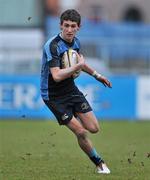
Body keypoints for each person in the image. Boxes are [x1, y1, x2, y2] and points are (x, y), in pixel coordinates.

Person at [40, 9, 112, 174]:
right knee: (81, 131)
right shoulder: (53, 46)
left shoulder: (76, 43)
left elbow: (80, 62)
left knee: (93, 128)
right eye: (66, 25)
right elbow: (56, 75)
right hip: (53, 96)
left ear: (79, 27)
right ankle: (100, 163)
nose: (69, 30)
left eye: (73, 26)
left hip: (70, 89)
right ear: (60, 25)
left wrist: (96, 75)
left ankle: (75, 113)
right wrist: (77, 67)